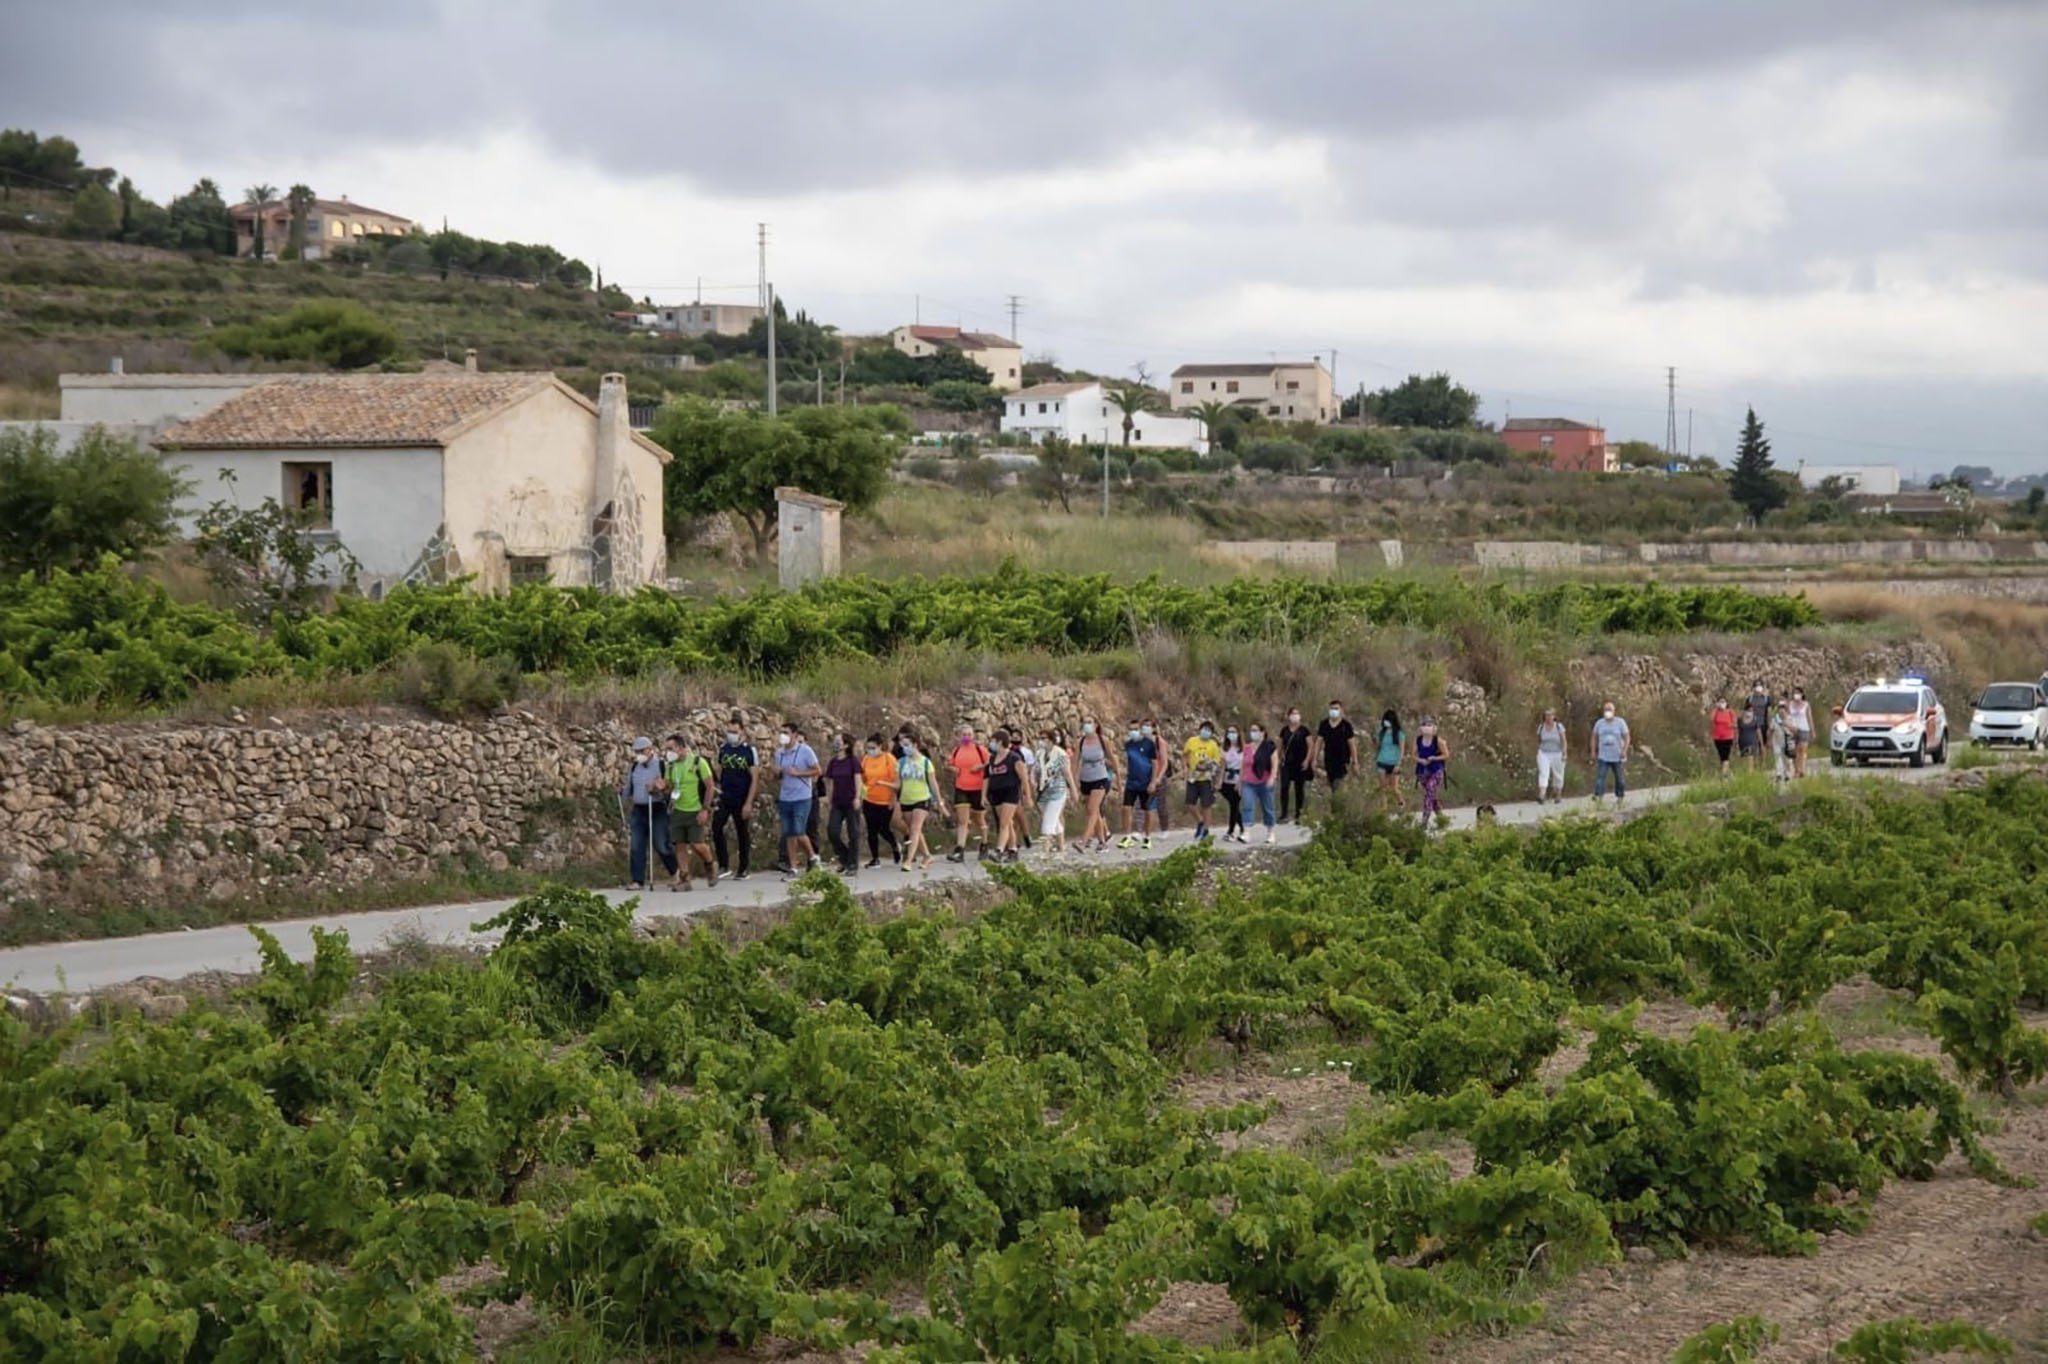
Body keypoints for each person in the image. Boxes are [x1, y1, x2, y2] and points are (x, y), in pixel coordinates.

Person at [664, 731, 718, 890]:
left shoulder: (697, 762)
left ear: (681, 748)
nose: (668, 752)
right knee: (679, 845)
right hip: (677, 809)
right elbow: (669, 786)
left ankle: (709, 863)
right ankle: (685, 878)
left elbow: (710, 786)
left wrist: (705, 809)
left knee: (697, 844)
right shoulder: (671, 765)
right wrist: (661, 787)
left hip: (695, 809)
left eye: (671, 748)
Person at [712, 715, 760, 881]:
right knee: (716, 826)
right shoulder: (724, 748)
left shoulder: (748, 750)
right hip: (726, 795)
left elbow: (754, 778)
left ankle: (743, 867)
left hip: (742, 796)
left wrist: (749, 802)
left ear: (742, 732)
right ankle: (724, 864)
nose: (731, 734)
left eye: (734, 731)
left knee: (742, 831)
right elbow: (719, 769)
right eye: (729, 731)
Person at [620, 736, 671, 890]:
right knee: (636, 845)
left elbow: (668, 788)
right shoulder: (635, 767)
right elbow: (628, 788)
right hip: (639, 808)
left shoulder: (662, 765)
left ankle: (676, 871)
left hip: (656, 807)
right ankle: (637, 880)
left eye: (641, 751)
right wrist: (622, 791)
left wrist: (657, 788)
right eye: (636, 751)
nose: (638, 754)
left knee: (660, 844)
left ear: (650, 750)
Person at [773, 721, 821, 878]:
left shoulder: (805, 751)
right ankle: (793, 867)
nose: (783, 736)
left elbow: (817, 771)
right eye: (782, 732)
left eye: (786, 732)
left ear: (794, 734)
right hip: (785, 796)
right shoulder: (779, 753)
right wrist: (777, 772)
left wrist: (799, 773)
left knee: (798, 830)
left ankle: (812, 857)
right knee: (788, 832)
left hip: (802, 796)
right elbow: (777, 776)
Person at [984, 731, 1032, 862]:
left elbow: (1024, 778)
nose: (991, 744)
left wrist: (1028, 796)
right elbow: (987, 776)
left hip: (1010, 792)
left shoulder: (1014, 758)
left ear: (1000, 742)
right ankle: (1013, 850)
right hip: (996, 792)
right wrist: (984, 795)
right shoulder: (992, 758)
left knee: (1004, 823)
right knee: (1008, 824)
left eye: (993, 741)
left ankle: (999, 850)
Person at [946, 724, 990, 863]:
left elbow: (991, 763)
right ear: (959, 736)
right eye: (964, 734)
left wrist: (980, 767)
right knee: (962, 820)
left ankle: (984, 844)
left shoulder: (980, 750)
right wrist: (953, 769)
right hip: (961, 787)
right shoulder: (956, 750)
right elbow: (949, 764)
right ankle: (960, 849)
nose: (967, 737)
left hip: (977, 788)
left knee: (979, 819)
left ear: (973, 736)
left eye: (969, 734)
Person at [896, 732, 940, 871]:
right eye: (903, 745)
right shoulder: (901, 762)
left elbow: (933, 784)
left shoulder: (926, 762)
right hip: (906, 799)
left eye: (907, 745)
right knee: (915, 830)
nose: (904, 748)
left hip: (922, 799)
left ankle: (909, 860)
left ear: (915, 745)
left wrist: (939, 801)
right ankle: (927, 855)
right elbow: (898, 784)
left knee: (915, 829)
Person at [1118, 719, 1161, 850]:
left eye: (1135, 729)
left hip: (1146, 782)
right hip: (1132, 781)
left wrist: (1153, 781)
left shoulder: (1149, 744)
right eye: (1131, 729)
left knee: (1148, 810)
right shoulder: (1128, 744)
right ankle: (1127, 836)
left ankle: (1147, 838)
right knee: (1126, 808)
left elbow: (1154, 763)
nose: (1133, 732)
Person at [859, 733, 901, 868]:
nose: (870, 751)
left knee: (883, 828)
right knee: (871, 830)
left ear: (880, 746)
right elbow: (863, 779)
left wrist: (893, 799)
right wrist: (862, 795)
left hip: (885, 799)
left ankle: (894, 844)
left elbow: (896, 781)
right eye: (868, 748)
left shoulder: (889, 759)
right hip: (870, 798)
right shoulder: (866, 759)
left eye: (873, 748)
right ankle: (875, 858)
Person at [1076, 718, 1116, 852]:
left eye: (1090, 722)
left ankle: (1084, 840)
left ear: (1096, 725)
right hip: (1085, 779)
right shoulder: (1080, 742)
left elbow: (1112, 758)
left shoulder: (1103, 740)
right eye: (1085, 722)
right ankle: (1102, 842)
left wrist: (1119, 779)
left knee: (1093, 809)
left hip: (1100, 778)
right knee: (1093, 810)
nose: (1086, 725)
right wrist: (1074, 780)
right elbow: (1075, 761)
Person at [824, 733, 862, 875]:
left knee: (853, 833)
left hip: (851, 800)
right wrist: (829, 798)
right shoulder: (833, 762)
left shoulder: (853, 761)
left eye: (839, 741)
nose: (836, 743)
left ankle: (853, 864)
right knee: (832, 832)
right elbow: (830, 781)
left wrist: (857, 797)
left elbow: (858, 779)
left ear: (846, 745)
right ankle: (845, 858)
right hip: (837, 802)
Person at [1183, 720, 1222, 843]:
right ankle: (1200, 821)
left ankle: (1206, 830)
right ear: (1200, 729)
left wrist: (1207, 767)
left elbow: (1217, 762)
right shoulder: (1192, 741)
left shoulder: (1213, 745)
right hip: (1193, 778)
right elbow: (1185, 755)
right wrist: (1185, 767)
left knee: (1206, 805)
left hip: (1206, 779)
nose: (1206, 732)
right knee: (1190, 804)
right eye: (1204, 729)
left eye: (1209, 730)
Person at [1038, 727, 1074, 854]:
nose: (1041, 741)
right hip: (1043, 792)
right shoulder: (1040, 754)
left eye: (1044, 739)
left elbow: (1068, 773)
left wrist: (1074, 790)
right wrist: (1032, 781)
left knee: (1048, 820)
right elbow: (1035, 770)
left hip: (1058, 791)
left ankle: (1045, 851)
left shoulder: (1061, 754)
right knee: (1055, 820)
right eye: (1040, 738)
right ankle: (1061, 844)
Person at [1242, 720, 1279, 843]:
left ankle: (1270, 832)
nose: (1253, 733)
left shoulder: (1269, 746)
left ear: (1263, 732)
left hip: (1264, 782)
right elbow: (1243, 766)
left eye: (1256, 730)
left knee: (1268, 807)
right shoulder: (1247, 748)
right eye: (1251, 730)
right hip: (1249, 782)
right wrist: (1239, 781)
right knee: (1247, 805)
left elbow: (1275, 763)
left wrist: (1272, 777)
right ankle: (1246, 832)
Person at [1314, 701, 1357, 799]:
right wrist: (1315, 759)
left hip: (1342, 761)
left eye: (1336, 708)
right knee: (1332, 786)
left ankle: (1340, 806)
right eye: (1332, 708)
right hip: (1329, 761)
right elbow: (1318, 742)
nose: (1334, 711)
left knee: (1339, 785)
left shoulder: (1346, 726)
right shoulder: (1324, 724)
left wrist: (1355, 761)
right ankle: (1335, 808)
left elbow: (1352, 744)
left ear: (1341, 710)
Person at [1591, 701, 1631, 806]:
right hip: (1603, 756)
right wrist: (1593, 751)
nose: (1607, 712)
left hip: (1617, 756)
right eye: (1606, 710)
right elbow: (1594, 737)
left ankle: (1620, 796)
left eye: (1610, 710)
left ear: (1614, 711)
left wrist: (1624, 750)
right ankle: (1598, 796)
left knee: (1620, 779)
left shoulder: (1620, 722)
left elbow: (1627, 737)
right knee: (1600, 777)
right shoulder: (1599, 723)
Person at [1277, 707, 1312, 822]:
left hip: (1300, 763)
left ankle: (1299, 814)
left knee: (1299, 788)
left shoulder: (1304, 730)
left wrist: (1307, 760)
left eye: (1297, 713)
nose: (1295, 716)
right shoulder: (1284, 730)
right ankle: (1284, 814)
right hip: (1287, 763)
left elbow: (1310, 745)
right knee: (1284, 787)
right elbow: (1280, 745)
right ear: (1288, 716)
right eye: (1292, 713)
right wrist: (1280, 756)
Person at [1413, 718, 1448, 823]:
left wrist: (1434, 758)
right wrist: (1420, 760)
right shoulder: (1418, 740)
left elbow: (1446, 755)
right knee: (1431, 794)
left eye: (1429, 725)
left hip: (1436, 769)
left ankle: (1425, 818)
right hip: (1422, 770)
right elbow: (1413, 755)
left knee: (1430, 789)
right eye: (1425, 725)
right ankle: (1440, 815)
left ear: (1434, 728)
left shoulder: (1438, 740)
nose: (1427, 728)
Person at [1373, 709, 1406, 811]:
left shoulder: (1399, 734)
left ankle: (1401, 802)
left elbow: (1401, 750)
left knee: (1393, 788)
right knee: (1383, 788)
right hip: (1382, 761)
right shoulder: (1382, 733)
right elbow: (1379, 747)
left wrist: (1398, 764)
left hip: (1394, 763)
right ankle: (1384, 809)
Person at [1535, 707, 1567, 804]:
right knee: (1543, 773)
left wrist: (1564, 753)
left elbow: (1564, 741)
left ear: (1554, 716)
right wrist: (1538, 751)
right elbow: (1538, 740)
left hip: (1557, 753)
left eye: (1550, 715)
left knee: (1558, 775)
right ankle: (1542, 794)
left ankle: (1558, 794)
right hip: (1544, 753)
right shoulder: (1541, 727)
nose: (1548, 717)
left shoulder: (1559, 727)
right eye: (1546, 715)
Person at [1220, 725, 1245, 843]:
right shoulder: (1225, 748)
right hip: (1227, 779)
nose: (1231, 734)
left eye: (1234, 732)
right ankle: (1242, 825)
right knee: (1232, 804)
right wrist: (1220, 781)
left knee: (1234, 805)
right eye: (1229, 732)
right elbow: (1223, 766)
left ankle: (1230, 831)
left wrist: (1240, 782)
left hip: (1238, 778)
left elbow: (1245, 767)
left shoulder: (1244, 749)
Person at [1785, 687, 1814, 778]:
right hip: (1793, 730)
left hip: (1804, 729)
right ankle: (1796, 770)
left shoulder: (1806, 704)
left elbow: (1809, 718)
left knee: (1802, 750)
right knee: (1795, 751)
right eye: (1795, 693)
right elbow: (1786, 717)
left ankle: (1801, 769)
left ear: (1802, 694)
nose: (1796, 695)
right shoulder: (1789, 705)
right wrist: (1789, 727)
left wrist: (1812, 730)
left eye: (1798, 693)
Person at [1737, 683, 1767, 768]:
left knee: (1756, 751)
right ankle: (1753, 769)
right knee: (1746, 757)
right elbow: (1738, 731)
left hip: (1761, 724)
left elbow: (1768, 711)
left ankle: (1762, 764)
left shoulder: (1765, 698)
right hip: (1745, 737)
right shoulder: (1749, 699)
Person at [1710, 699, 1737, 777]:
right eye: (1720, 702)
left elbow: (1735, 723)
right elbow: (1711, 719)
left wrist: (1731, 725)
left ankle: (1723, 774)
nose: (1722, 704)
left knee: (1726, 755)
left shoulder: (1730, 712)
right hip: (1717, 737)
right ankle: (1728, 772)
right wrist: (1715, 708)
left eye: (1723, 702)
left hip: (1728, 737)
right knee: (1721, 756)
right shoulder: (1716, 712)